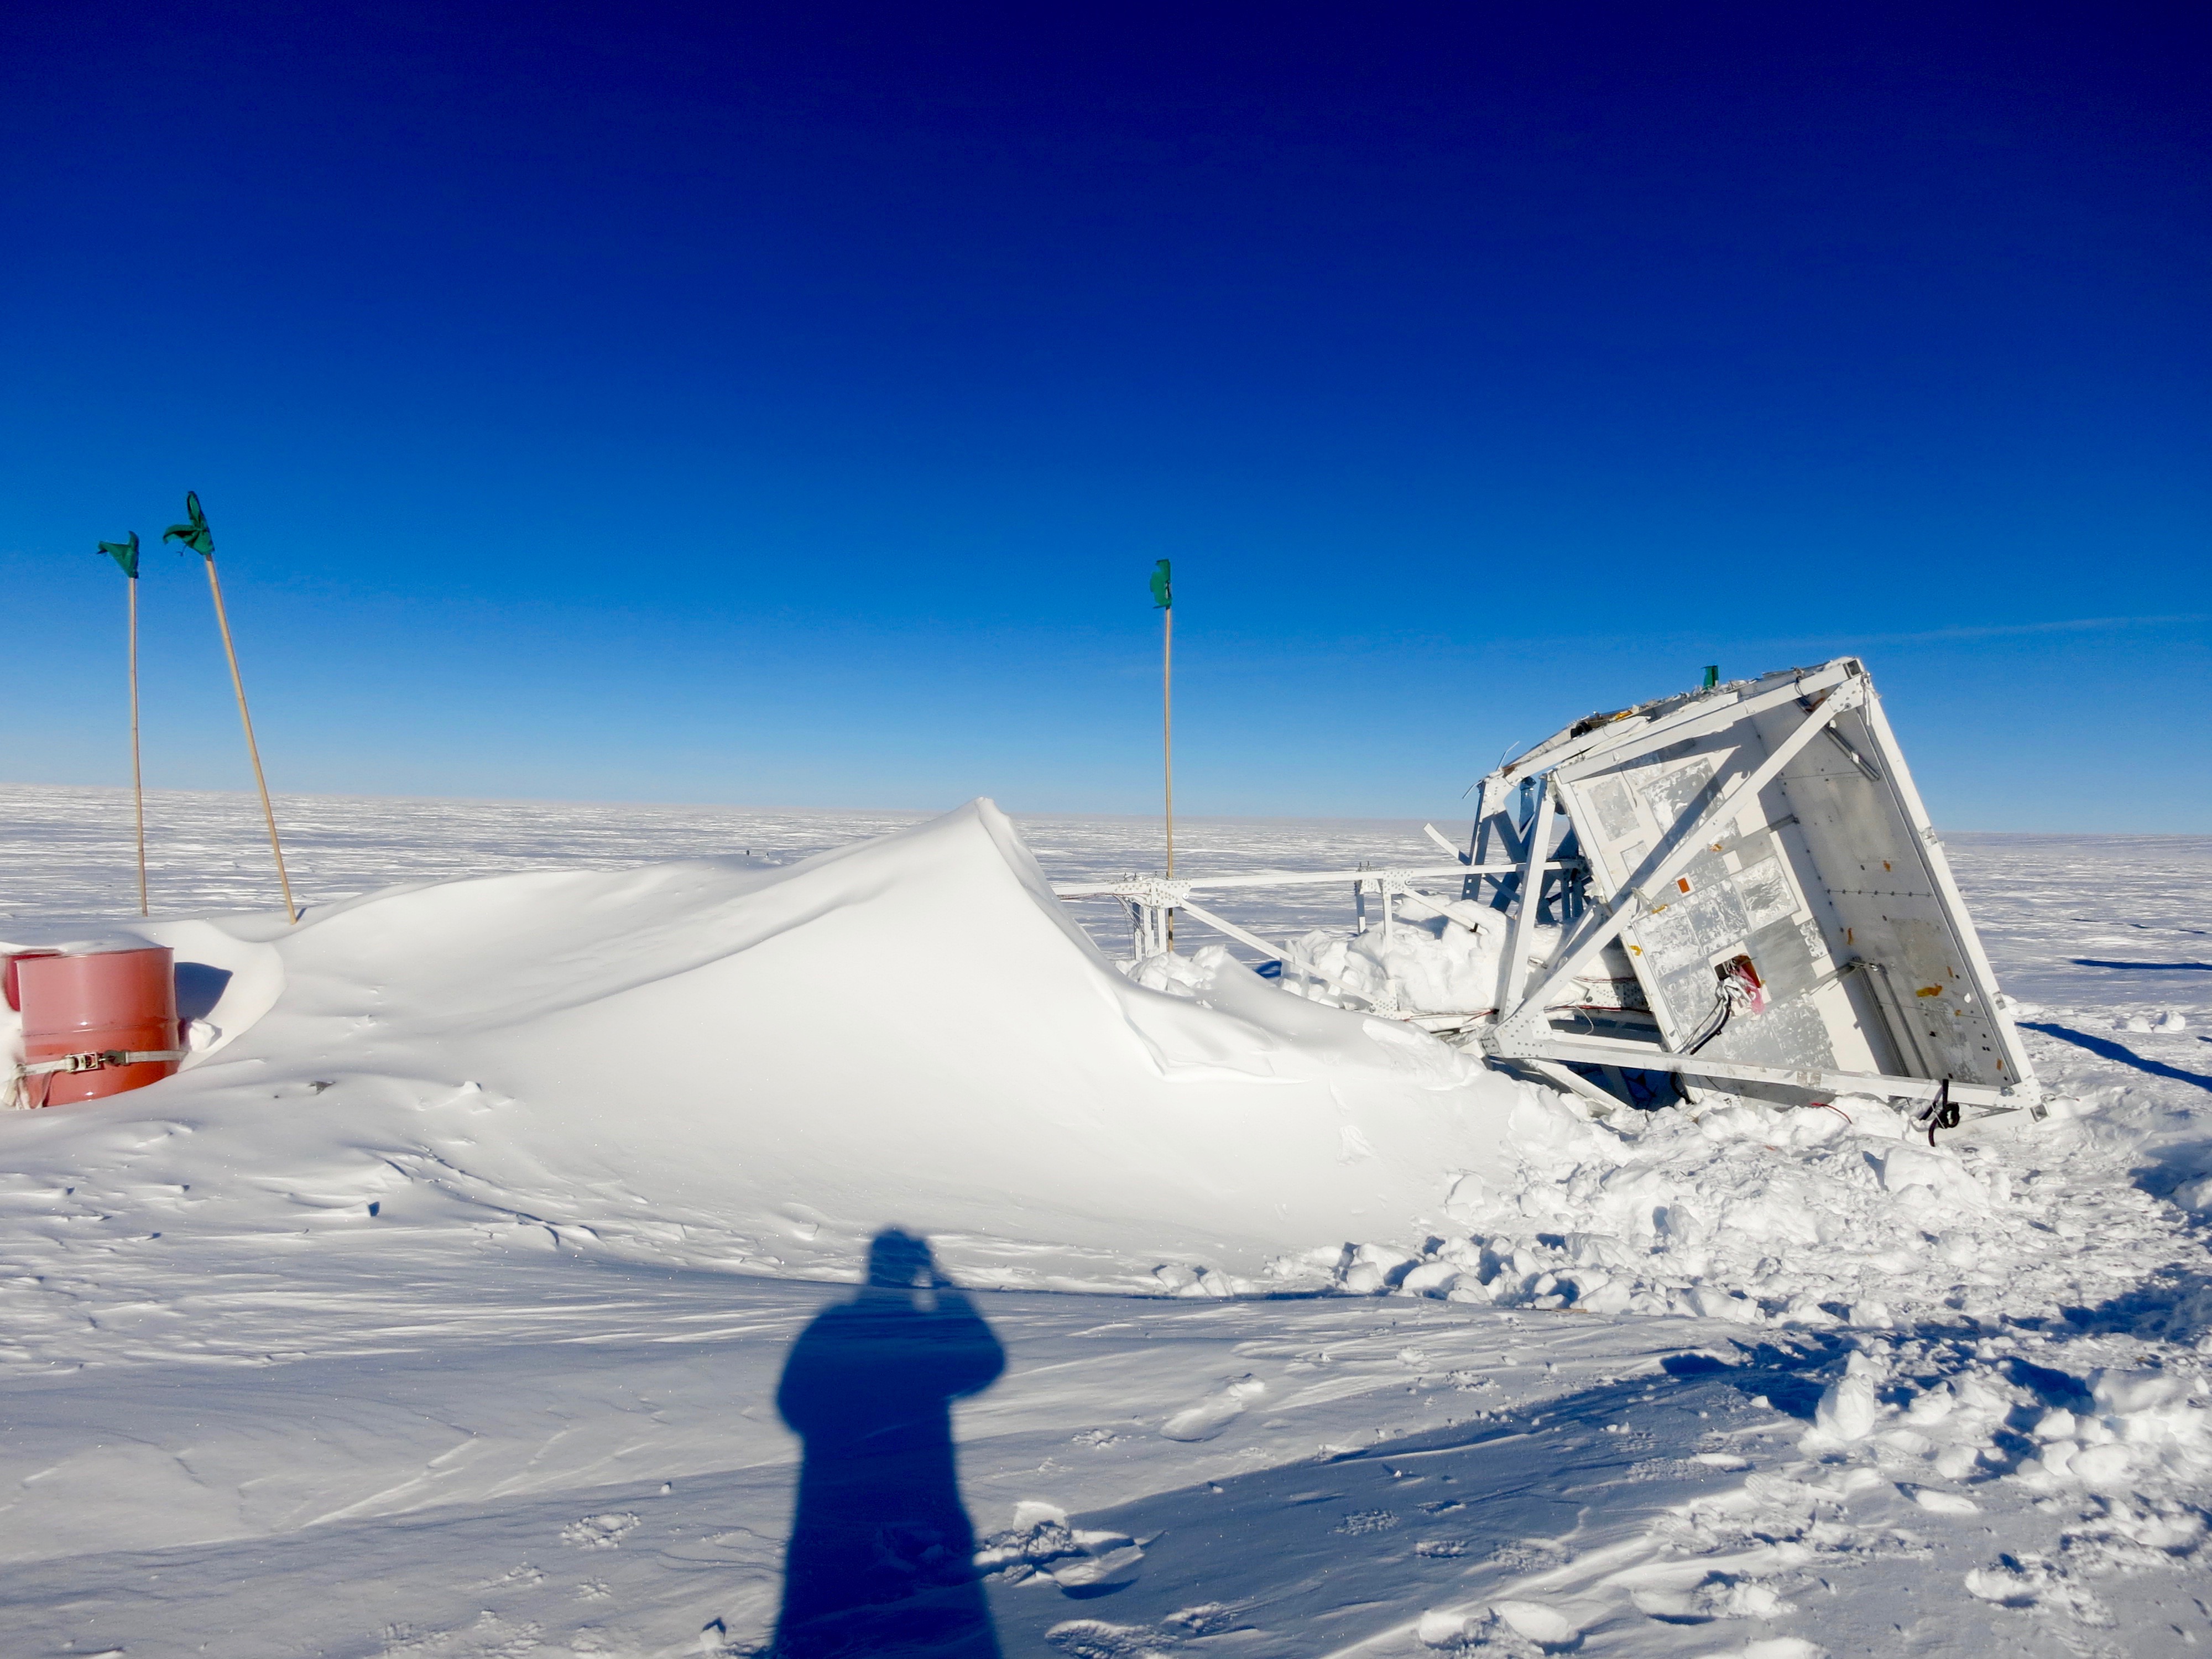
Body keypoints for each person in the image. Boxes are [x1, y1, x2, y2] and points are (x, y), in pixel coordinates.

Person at [773, 1227, 1006, 1659]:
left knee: (832, 1576)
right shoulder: (900, 1325)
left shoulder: (832, 1321)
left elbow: (791, 1404)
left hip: (838, 1463)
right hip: (911, 1460)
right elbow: (987, 1363)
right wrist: (947, 1291)